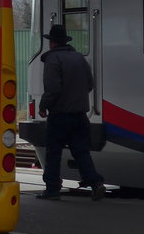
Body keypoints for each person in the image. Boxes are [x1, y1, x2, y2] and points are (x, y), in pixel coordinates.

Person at [35, 23, 106, 201]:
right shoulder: (79, 58)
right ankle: (95, 183)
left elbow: (53, 88)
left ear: (52, 43)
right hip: (79, 114)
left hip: (59, 114)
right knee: (81, 151)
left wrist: (43, 106)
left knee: (53, 153)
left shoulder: (52, 60)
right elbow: (89, 84)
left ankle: (52, 190)